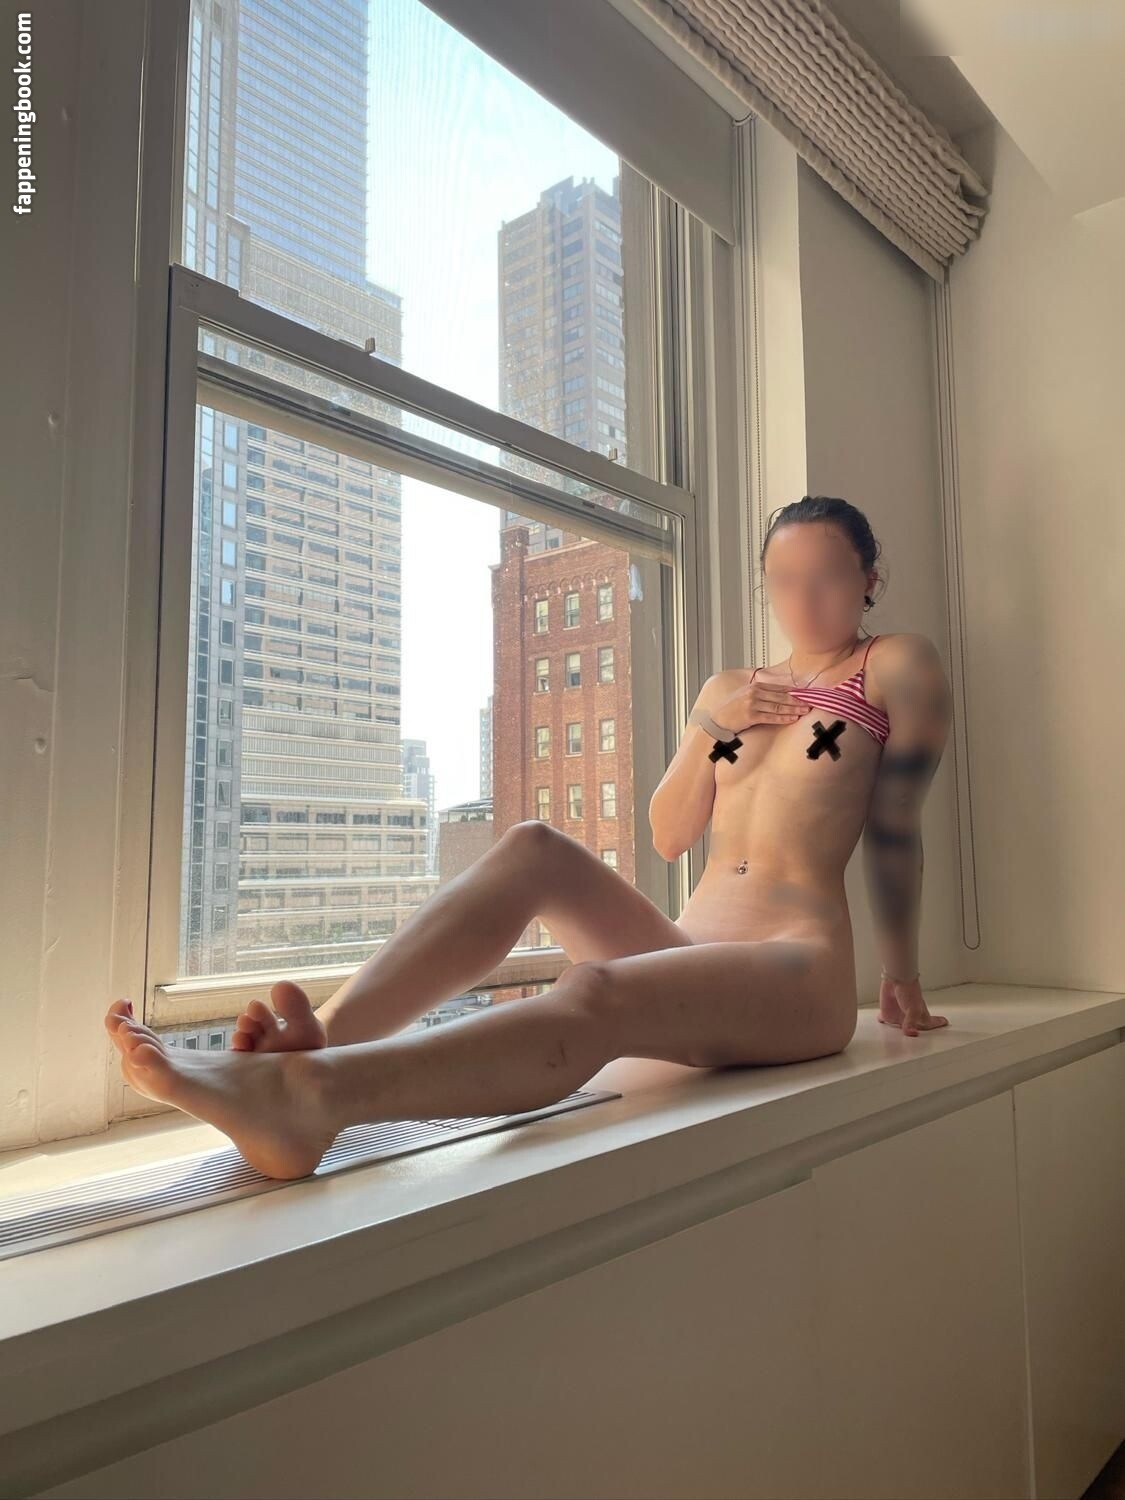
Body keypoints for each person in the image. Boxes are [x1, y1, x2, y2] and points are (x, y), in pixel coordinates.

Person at [104, 494, 953, 1181]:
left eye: (826, 578)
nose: (803, 600)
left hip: (794, 967)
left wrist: (901, 977)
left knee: (595, 991)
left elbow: (895, 829)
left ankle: (313, 1099)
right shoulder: (731, 689)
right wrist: (708, 726)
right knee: (533, 846)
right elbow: (668, 836)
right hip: (688, 952)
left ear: (868, 580)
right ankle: (323, 1039)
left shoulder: (892, 665)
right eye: (783, 580)